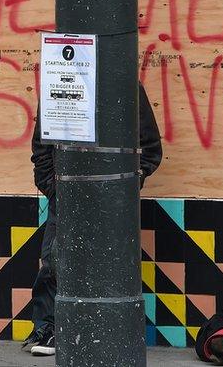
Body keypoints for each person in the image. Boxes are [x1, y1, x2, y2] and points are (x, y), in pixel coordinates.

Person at [22, 82, 163, 356]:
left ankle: (99, 330)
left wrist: (129, 185)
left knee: (109, 262)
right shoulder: (59, 80)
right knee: (54, 259)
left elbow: (150, 148)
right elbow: (42, 144)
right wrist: (52, 186)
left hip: (112, 196)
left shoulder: (126, 86)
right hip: (66, 191)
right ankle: (49, 328)